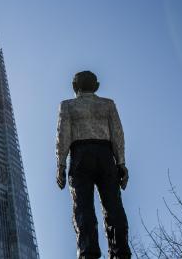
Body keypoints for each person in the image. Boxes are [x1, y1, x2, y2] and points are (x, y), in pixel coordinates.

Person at [56, 71, 131, 259]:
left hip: (80, 155)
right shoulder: (107, 104)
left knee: (83, 207)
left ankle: (88, 252)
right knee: (114, 206)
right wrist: (121, 163)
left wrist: (61, 165)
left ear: (75, 87)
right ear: (95, 86)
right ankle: (120, 252)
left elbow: (62, 135)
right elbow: (118, 135)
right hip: (106, 155)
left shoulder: (68, 105)